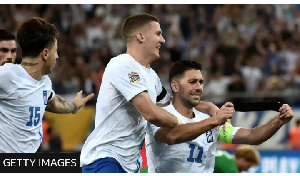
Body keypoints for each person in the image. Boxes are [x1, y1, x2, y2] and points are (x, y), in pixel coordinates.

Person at [80, 14, 218, 173]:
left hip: (130, 164)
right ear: (140, 36)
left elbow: (173, 103)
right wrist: (188, 124)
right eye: (158, 34)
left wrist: (207, 106)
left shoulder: (151, 76)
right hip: (105, 159)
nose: (163, 40)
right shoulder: (122, 64)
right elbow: (151, 113)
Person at [145, 60, 294, 173]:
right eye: (192, 82)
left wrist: (279, 120)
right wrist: (214, 120)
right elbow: (173, 136)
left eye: (201, 82)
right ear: (175, 86)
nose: (198, 87)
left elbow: (252, 136)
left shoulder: (209, 117)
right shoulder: (159, 115)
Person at [0, 17, 94, 153]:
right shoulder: (7, 74)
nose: (57, 57)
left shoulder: (45, 82)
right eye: (55, 51)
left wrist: (73, 106)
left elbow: (51, 102)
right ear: (45, 54)